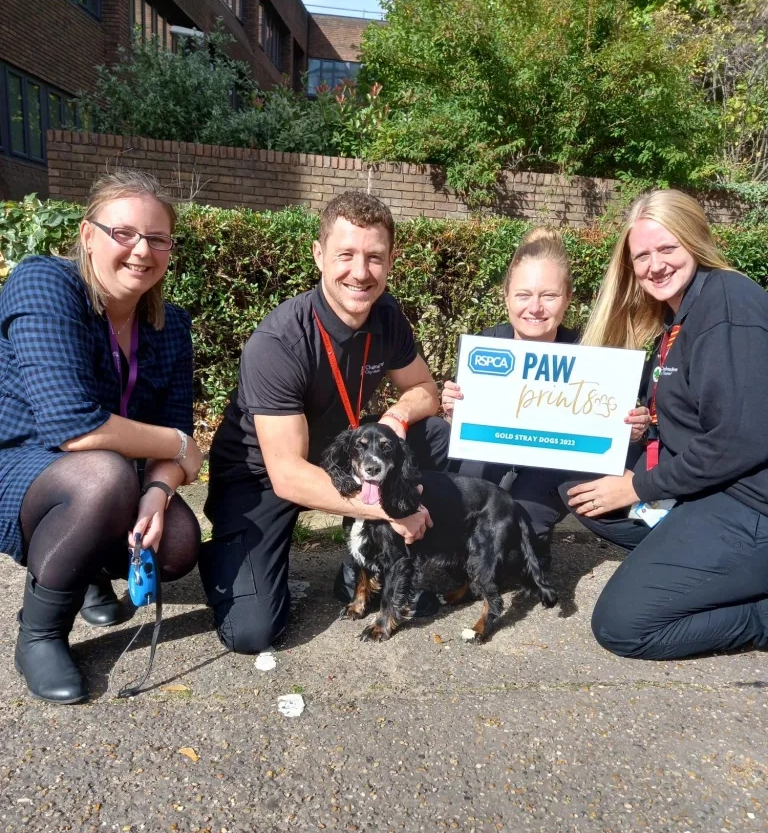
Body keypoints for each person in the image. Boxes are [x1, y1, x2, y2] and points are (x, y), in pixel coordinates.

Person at [201, 191, 449, 655]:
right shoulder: (278, 342)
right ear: (318, 256)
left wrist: (396, 415)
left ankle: (374, 561)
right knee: (251, 633)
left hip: (342, 453)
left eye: (375, 257)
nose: (360, 272)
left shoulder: (387, 317)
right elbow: (289, 475)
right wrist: (393, 509)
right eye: (346, 255)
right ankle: (226, 554)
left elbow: (425, 393)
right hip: (263, 476)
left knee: (436, 437)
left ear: (391, 260)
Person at [0, 171, 203, 704]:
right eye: (124, 233)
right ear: (88, 235)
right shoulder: (44, 283)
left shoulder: (170, 325)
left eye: (157, 239)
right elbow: (73, 427)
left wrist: (159, 493)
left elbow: (176, 424)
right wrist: (179, 450)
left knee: (179, 540)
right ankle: (40, 633)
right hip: (25, 461)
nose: (142, 250)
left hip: (112, 468)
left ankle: (87, 570)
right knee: (104, 475)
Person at [562, 189, 768, 660]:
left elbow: (740, 439)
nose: (655, 264)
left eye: (668, 248)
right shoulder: (679, 313)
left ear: (695, 242)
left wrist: (639, 487)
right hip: (712, 490)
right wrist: (646, 427)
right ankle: (685, 558)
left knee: (621, 625)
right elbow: (693, 414)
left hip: (752, 504)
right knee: (579, 476)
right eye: (643, 255)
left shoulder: (729, 306)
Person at [441, 228, 650, 570]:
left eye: (549, 295)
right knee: (461, 555)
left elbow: (612, 436)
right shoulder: (485, 346)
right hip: (492, 460)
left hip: (547, 469)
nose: (535, 308)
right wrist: (452, 409)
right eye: (523, 294)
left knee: (515, 557)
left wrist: (631, 429)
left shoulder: (591, 356)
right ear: (506, 296)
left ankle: (536, 538)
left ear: (567, 299)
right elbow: (466, 428)